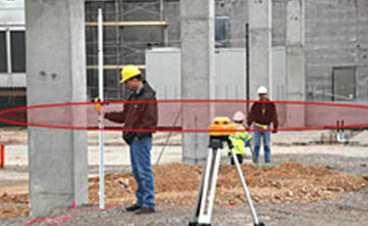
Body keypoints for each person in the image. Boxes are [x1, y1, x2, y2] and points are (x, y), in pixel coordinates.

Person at [105, 65, 158, 214]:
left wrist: (137, 134)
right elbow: (124, 116)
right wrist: (105, 114)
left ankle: (148, 203)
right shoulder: (133, 96)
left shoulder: (148, 97)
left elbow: (150, 121)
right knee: (137, 171)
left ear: (135, 79)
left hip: (141, 139)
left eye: (127, 82)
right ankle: (141, 201)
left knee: (144, 170)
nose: (126, 85)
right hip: (134, 139)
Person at [247, 86, 278, 164]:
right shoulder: (256, 105)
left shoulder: (271, 105)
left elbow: (274, 116)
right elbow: (251, 115)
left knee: (267, 145)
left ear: (266, 94)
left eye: (263, 94)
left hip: (266, 127)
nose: (262, 96)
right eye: (260, 95)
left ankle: (267, 161)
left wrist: (275, 126)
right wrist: (248, 124)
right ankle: (255, 161)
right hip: (257, 126)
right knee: (256, 145)